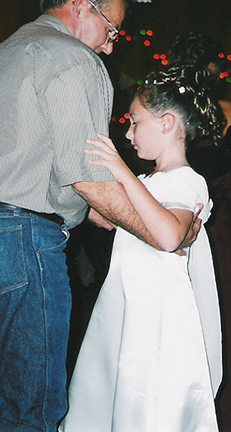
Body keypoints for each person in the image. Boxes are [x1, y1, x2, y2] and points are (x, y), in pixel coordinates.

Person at [0, 1, 201, 431]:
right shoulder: (72, 57)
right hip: (16, 244)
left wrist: (98, 212)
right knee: (35, 409)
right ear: (83, 7)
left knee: (14, 396)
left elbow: (26, 166)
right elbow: (90, 181)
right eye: (112, 31)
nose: (110, 46)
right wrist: (166, 233)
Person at [59, 65, 223, 432]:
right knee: (109, 396)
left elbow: (167, 237)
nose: (129, 133)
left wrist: (122, 171)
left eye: (135, 123)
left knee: (146, 403)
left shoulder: (187, 180)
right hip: (126, 305)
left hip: (157, 318)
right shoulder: (150, 181)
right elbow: (117, 221)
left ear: (167, 124)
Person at [168, 32, 231, 431]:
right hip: (217, 224)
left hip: (180, 221)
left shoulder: (169, 113)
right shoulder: (222, 109)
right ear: (211, 68)